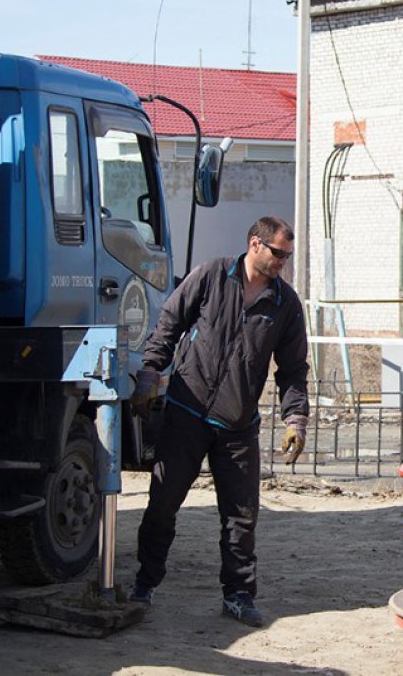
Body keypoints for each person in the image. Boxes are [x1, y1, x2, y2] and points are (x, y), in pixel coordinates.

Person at [129, 216, 310, 627]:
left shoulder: (286, 305)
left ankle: (239, 595)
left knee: (241, 517)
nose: (283, 262)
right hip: (186, 414)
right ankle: (145, 582)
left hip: (237, 426)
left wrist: (295, 419)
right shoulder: (212, 276)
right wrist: (148, 373)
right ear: (255, 244)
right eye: (278, 253)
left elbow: (293, 370)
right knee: (162, 504)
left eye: (287, 255)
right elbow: (169, 324)